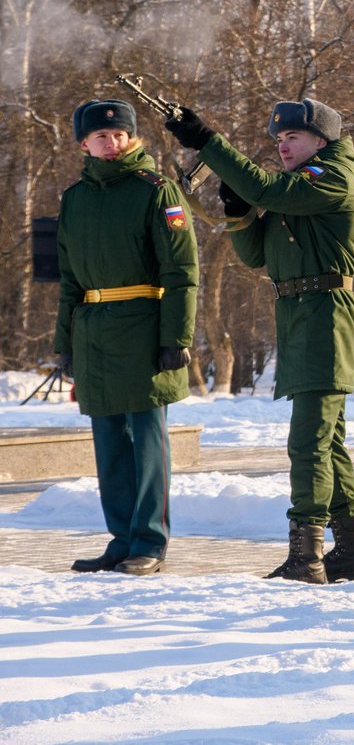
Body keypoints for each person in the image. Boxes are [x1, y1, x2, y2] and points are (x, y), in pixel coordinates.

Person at [165, 98, 354, 584]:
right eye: (278, 140)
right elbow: (257, 255)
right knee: (328, 442)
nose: (282, 147)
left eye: (292, 138)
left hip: (326, 314)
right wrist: (240, 215)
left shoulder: (332, 175)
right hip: (300, 312)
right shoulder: (298, 188)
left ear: (321, 141)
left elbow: (267, 187)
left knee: (309, 442)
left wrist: (208, 142)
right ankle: (352, 550)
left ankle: (307, 556)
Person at [55, 99, 199, 576]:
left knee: (147, 442)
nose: (111, 143)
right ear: (84, 144)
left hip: (143, 328)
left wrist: (175, 335)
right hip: (93, 330)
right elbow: (71, 280)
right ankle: (121, 538)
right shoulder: (75, 199)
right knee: (110, 442)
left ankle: (150, 542)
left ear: (132, 138)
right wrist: (65, 344)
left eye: (119, 136)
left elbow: (181, 271)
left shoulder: (158, 190)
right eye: (101, 136)